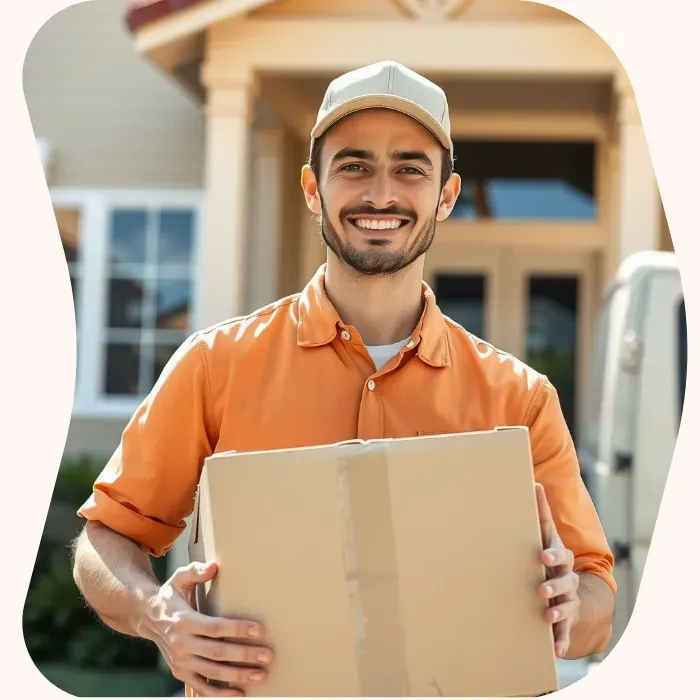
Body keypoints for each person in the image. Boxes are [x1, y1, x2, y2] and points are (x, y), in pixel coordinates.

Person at [72, 61, 616, 697]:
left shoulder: (518, 398)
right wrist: (156, 616)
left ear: (445, 194)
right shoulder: (215, 364)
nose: (380, 194)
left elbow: (596, 591)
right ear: (312, 189)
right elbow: (107, 537)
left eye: (410, 168)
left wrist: (571, 609)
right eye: (354, 166)